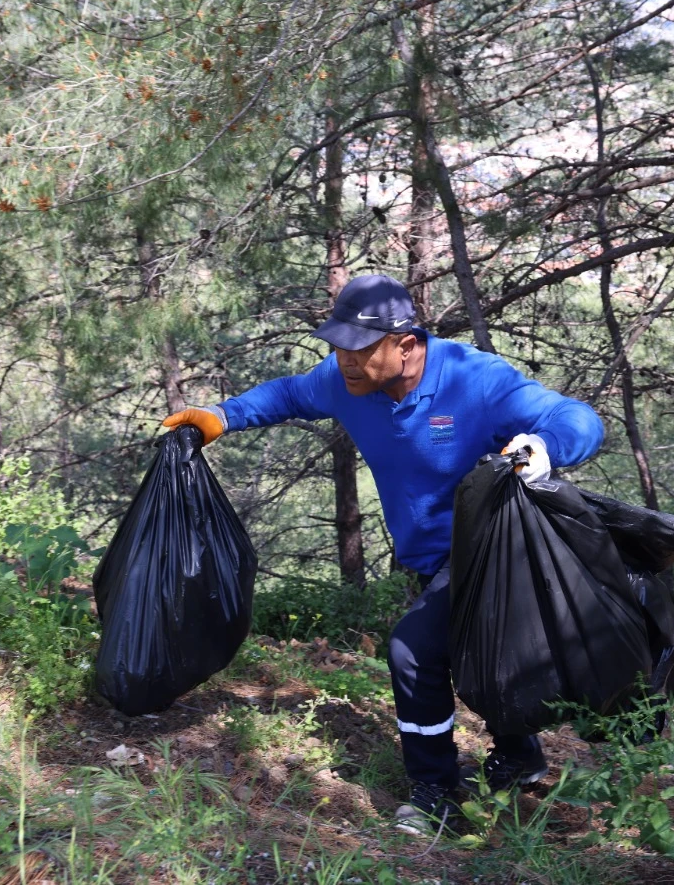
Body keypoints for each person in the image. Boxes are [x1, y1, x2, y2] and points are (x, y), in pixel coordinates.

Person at [160, 274, 604, 835]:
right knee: (475, 656)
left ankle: (435, 793)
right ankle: (520, 756)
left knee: (412, 651)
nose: (343, 359)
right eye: (338, 345)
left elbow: (580, 420)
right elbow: (290, 394)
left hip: (491, 554)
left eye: (359, 347)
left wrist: (544, 445)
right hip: (427, 557)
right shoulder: (347, 380)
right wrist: (221, 416)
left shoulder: (476, 381)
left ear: (408, 345)